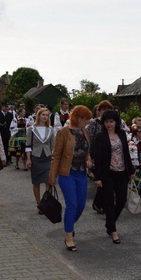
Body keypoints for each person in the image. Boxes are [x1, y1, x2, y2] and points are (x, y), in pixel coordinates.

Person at [48, 105, 93, 252]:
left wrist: (88, 159)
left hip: (81, 173)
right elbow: (56, 156)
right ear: (79, 118)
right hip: (67, 174)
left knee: (80, 205)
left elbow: (87, 150)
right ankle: (69, 237)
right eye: (86, 119)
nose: (87, 122)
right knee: (72, 204)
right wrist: (52, 177)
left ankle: (69, 225)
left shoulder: (84, 132)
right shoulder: (63, 133)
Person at [93, 110, 135, 244]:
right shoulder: (100, 137)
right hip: (108, 173)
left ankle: (109, 223)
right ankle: (113, 230)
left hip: (122, 171)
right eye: (106, 122)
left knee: (122, 200)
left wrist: (131, 171)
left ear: (116, 122)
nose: (109, 124)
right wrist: (97, 177)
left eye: (111, 121)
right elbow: (97, 158)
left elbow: (126, 153)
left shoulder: (122, 134)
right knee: (109, 202)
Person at [25, 108, 56, 214]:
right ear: (38, 116)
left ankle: (45, 202)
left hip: (47, 157)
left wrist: (54, 159)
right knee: (36, 182)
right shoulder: (31, 129)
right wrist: (28, 159)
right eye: (43, 115)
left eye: (47, 115)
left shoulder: (51, 129)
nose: (45, 117)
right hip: (36, 157)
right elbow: (28, 145)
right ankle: (39, 204)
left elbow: (53, 146)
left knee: (49, 181)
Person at [87, 100, 114, 215]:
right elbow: (89, 140)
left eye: (108, 109)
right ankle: (101, 204)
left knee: (107, 181)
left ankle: (99, 203)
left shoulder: (112, 123)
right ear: (99, 111)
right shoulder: (94, 123)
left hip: (111, 156)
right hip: (97, 156)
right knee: (102, 180)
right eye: (103, 109)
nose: (105, 111)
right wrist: (89, 156)